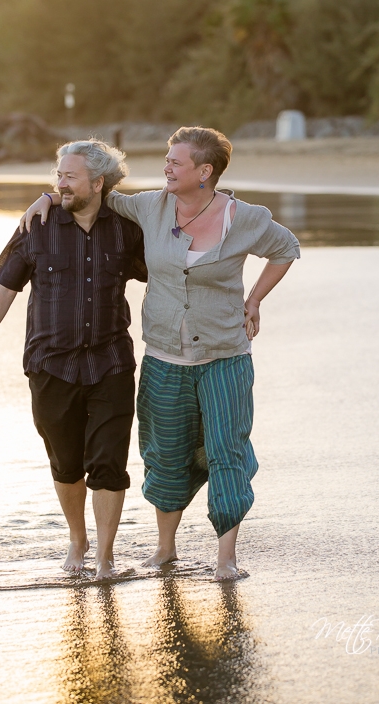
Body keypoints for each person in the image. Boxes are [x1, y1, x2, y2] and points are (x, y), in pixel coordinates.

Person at [21, 127, 300, 579]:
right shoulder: (150, 206)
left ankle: (226, 557)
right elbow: (94, 195)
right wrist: (47, 198)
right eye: (167, 160)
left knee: (227, 450)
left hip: (225, 354)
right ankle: (165, 549)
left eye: (176, 162)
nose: (166, 167)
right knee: (165, 455)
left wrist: (254, 300)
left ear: (204, 171)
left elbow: (286, 248)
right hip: (165, 357)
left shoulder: (243, 217)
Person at [0, 140, 147, 579]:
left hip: (112, 364)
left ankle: (104, 557)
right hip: (51, 366)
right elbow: (4, 289)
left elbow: (169, 270)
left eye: (69, 176)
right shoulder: (37, 225)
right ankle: (77, 538)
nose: (58, 183)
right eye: (57, 176)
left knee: (108, 464)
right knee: (66, 465)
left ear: (98, 182)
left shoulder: (126, 228)